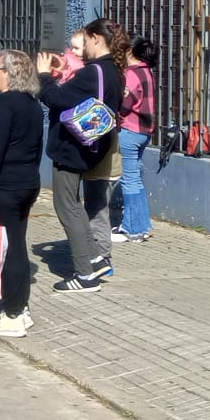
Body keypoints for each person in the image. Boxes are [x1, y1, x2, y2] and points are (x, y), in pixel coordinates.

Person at [36, 18, 128, 292]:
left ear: (97, 38)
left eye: (85, 40)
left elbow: (56, 99)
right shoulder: (112, 71)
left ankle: (84, 274)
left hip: (73, 149)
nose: (82, 47)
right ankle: (95, 258)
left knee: (68, 207)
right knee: (75, 206)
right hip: (91, 146)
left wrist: (43, 75)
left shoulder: (93, 72)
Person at [0, 49, 47, 338]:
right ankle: (20, 308)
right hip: (26, 183)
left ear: (8, 73)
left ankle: (13, 312)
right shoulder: (31, 104)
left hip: (6, 185)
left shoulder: (4, 105)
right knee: (16, 243)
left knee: (10, 248)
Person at [113, 38, 158, 244]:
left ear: (130, 51)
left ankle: (131, 228)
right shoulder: (147, 71)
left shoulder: (131, 74)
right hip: (144, 132)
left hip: (130, 131)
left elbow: (125, 104)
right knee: (136, 178)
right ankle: (143, 225)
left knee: (129, 179)